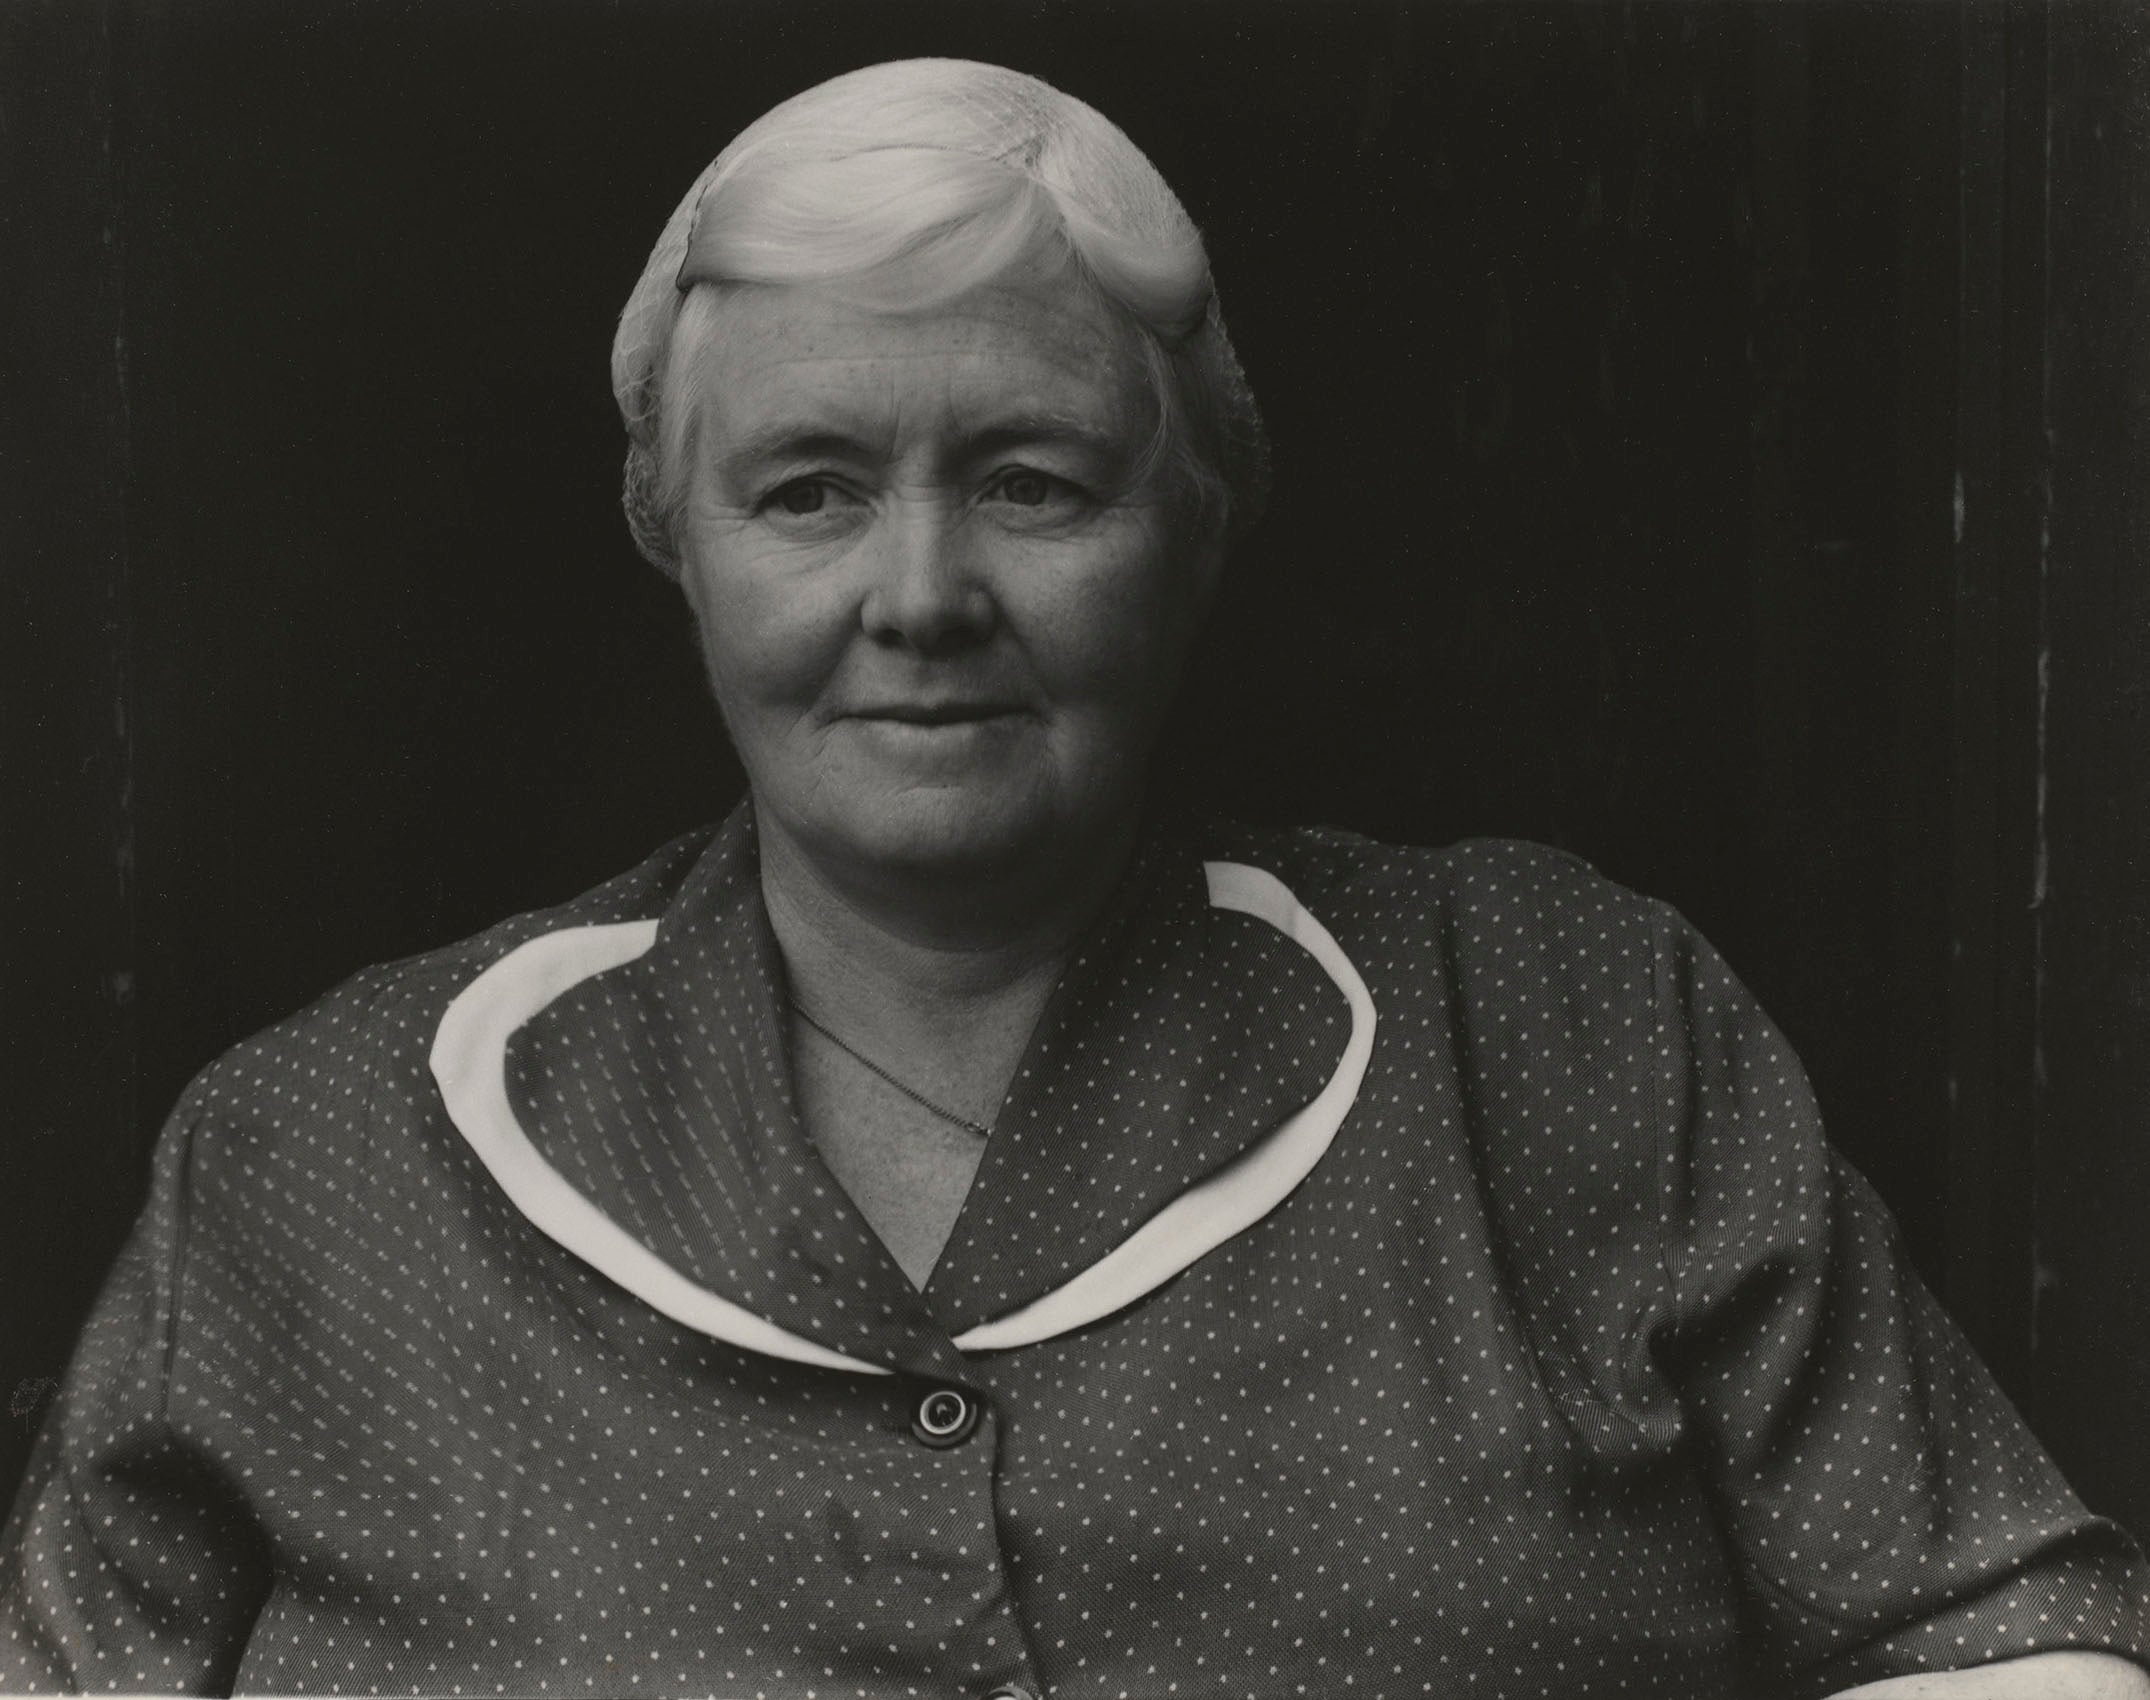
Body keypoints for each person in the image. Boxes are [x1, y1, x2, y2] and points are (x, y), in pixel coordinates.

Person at [2, 56, 2145, 1700]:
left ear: (1196, 522)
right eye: (808, 490)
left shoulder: (1568, 1029)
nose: (920, 593)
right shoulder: (311, 1161)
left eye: (1031, 480)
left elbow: (1999, 1630)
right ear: (678, 538)